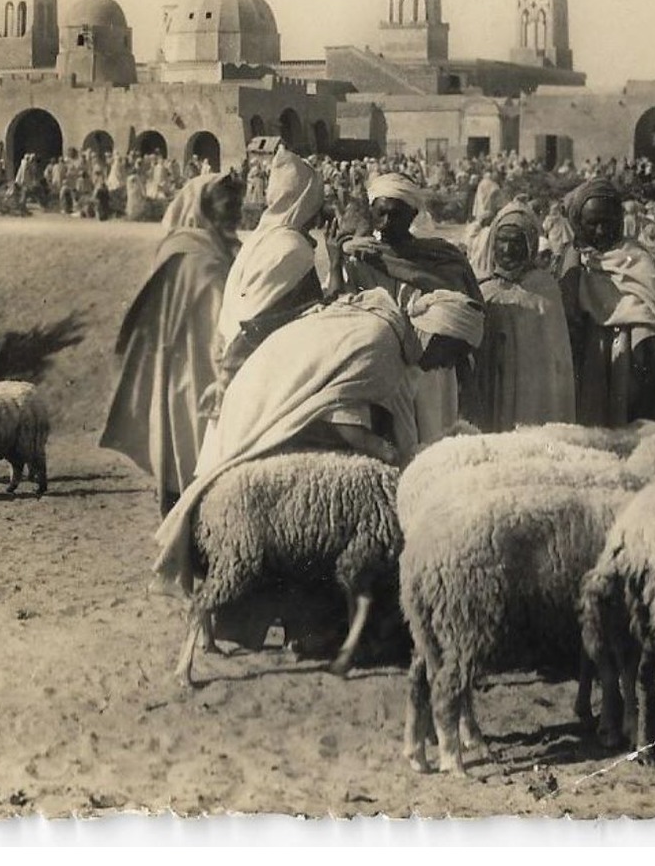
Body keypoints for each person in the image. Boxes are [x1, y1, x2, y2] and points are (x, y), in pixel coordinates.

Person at [153, 287, 478, 597]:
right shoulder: (383, 345)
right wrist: (393, 456)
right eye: (452, 353)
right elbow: (345, 422)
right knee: (279, 517)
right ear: (436, 335)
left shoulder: (389, 330)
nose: (446, 366)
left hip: (272, 389)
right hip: (270, 402)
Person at [101, 173, 245, 517]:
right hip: (193, 368)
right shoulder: (195, 255)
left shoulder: (207, 247)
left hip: (198, 362)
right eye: (228, 205)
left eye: (237, 205)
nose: (236, 213)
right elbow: (220, 317)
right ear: (206, 208)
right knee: (195, 449)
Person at [557, 178, 655, 428]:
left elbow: (652, 318)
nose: (600, 231)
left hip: (631, 367)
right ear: (578, 223)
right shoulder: (571, 261)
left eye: (607, 222)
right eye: (592, 223)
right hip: (587, 365)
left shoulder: (638, 260)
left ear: (620, 221)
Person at [340, 170, 482, 445]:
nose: (387, 222)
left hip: (431, 369)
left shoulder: (439, 256)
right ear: (371, 212)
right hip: (381, 364)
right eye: (381, 213)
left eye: (396, 214)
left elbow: (464, 310)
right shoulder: (360, 258)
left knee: (434, 439)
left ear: (413, 214)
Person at [214, 148, 336, 390]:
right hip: (254, 379)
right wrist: (336, 264)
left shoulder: (262, 237)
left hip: (237, 368)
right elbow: (257, 327)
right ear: (305, 201)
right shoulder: (291, 247)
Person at [465, 201, 575, 432]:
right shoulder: (483, 290)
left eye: (515, 242)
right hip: (490, 389)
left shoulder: (544, 291)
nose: (507, 250)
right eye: (501, 241)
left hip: (530, 400)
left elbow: (554, 363)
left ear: (530, 244)